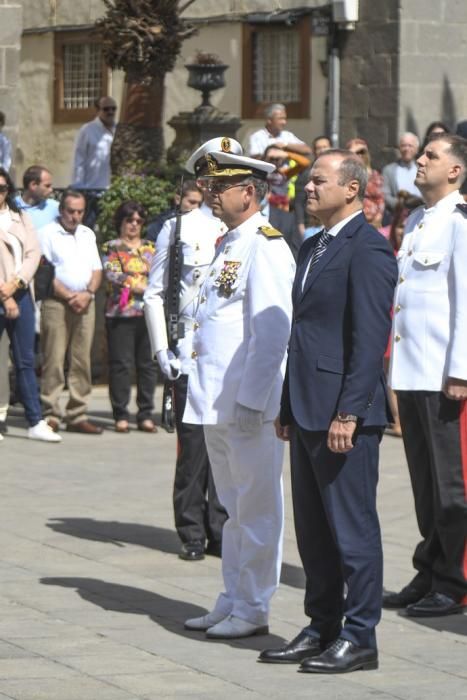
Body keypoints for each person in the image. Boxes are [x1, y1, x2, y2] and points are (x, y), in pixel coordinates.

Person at [259, 150, 397, 672]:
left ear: (353, 189)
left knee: (353, 531)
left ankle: (361, 636)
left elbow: (368, 341)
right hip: (308, 409)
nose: (307, 188)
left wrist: (351, 413)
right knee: (314, 531)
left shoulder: (370, 249)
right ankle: (322, 625)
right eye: (307, 181)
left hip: (345, 417)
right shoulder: (313, 244)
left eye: (319, 180)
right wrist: (289, 404)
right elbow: (305, 333)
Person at [181, 147, 295, 639]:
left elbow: (271, 333)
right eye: (208, 185)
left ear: (248, 193)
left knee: (257, 508)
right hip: (216, 399)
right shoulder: (228, 242)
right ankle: (232, 596)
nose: (209, 193)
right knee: (231, 509)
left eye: (219, 186)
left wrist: (253, 401)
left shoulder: (266, 245)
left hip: (247, 403)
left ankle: (253, 607)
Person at [383, 133, 467, 617]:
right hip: (413, 373)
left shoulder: (459, 222)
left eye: (432, 156)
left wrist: (460, 370)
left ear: (454, 170)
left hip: (443, 376)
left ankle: (454, 580)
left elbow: (464, 302)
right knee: (422, 482)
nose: (420, 160)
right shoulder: (416, 220)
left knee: (450, 485)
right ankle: (429, 567)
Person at [144, 137, 235, 562]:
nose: (216, 188)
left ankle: (221, 525)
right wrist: (162, 350)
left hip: (228, 355)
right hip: (187, 352)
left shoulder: (242, 232)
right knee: (193, 447)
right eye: (212, 179)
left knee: (227, 446)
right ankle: (192, 530)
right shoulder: (177, 227)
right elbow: (154, 293)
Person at [0, 167, 61, 442]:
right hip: (4, 294)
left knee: (26, 359)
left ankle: (35, 421)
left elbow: (33, 254)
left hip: (21, 292)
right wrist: (5, 295)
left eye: (2, 189)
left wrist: (17, 284)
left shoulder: (20, 216)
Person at [38, 190, 103, 434]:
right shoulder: (46, 234)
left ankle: (77, 413)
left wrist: (87, 293)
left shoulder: (87, 234)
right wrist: (68, 296)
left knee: (81, 360)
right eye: (70, 211)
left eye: (79, 212)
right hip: (56, 302)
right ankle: (51, 412)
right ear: (61, 210)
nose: (75, 217)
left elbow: (97, 269)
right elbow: (45, 272)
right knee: (53, 358)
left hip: (86, 301)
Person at [101, 201, 158, 433]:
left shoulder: (152, 248)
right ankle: (121, 414)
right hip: (120, 312)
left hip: (149, 313)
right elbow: (112, 273)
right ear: (121, 222)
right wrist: (143, 283)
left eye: (138, 221)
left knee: (148, 365)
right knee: (121, 365)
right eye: (129, 220)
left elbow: (160, 274)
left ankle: (145, 414)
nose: (134, 225)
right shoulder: (111, 246)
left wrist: (138, 281)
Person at [294, 135, 332, 239]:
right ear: (314, 151)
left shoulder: (338, 172)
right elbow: (299, 202)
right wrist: (301, 227)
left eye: (325, 146)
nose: (322, 150)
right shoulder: (306, 174)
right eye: (319, 148)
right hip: (312, 225)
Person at [346, 138, 385, 228]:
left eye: (362, 152)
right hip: (353, 222)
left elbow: (381, 199)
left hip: (375, 222)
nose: (359, 155)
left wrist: (378, 217)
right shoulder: (346, 176)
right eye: (356, 152)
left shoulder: (376, 175)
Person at [382, 132, 423, 216]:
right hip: (398, 216)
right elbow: (385, 195)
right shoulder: (389, 170)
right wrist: (402, 206)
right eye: (403, 145)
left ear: (417, 149)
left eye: (410, 145)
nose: (406, 149)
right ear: (399, 148)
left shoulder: (423, 169)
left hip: (421, 213)